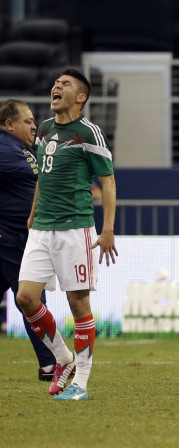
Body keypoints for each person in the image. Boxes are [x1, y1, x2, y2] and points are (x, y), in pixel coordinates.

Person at [14, 68, 118, 402]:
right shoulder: (44, 129)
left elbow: (108, 182)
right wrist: (32, 213)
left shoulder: (90, 133)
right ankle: (63, 359)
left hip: (76, 229)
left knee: (79, 303)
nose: (57, 87)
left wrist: (108, 229)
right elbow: (42, 177)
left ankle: (81, 383)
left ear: (81, 97)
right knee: (25, 298)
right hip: (42, 228)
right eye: (56, 83)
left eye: (66, 84)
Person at [0, 99, 58, 380]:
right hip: (11, 241)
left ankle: (50, 363)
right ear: (9, 124)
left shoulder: (23, 149)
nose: (34, 125)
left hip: (20, 240)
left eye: (34, 121)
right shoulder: (3, 148)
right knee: (32, 301)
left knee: (31, 301)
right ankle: (50, 364)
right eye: (27, 121)